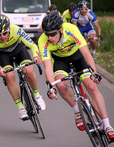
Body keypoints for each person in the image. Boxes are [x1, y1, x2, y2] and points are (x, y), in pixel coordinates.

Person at [38, 11, 114, 140]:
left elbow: (85, 53)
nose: (49, 38)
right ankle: (78, 112)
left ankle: (107, 126)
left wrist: (94, 73)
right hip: (61, 61)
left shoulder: (71, 29)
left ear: (61, 30)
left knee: (92, 87)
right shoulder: (43, 40)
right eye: (47, 34)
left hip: (78, 57)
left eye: (52, 34)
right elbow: (48, 67)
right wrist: (52, 87)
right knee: (61, 85)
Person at [0, 15, 46, 120]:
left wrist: (36, 56)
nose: (2, 37)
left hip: (18, 50)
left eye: (4, 33)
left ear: (9, 29)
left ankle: (37, 95)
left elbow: (32, 45)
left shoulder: (17, 30)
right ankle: (21, 108)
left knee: (28, 70)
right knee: (9, 76)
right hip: (4, 54)